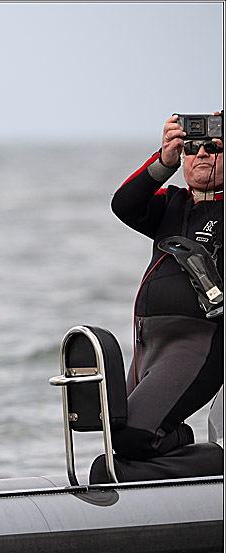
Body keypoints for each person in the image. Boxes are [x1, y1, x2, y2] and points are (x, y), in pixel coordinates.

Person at [109, 114, 223, 460]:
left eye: (213, 147)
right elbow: (124, 204)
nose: (201, 153)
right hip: (148, 344)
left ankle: (209, 458)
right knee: (117, 433)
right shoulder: (172, 203)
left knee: (135, 435)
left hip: (196, 342)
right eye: (192, 148)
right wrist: (164, 160)